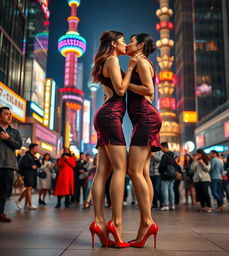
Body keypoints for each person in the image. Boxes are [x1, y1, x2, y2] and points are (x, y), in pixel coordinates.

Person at [90, 30, 140, 248]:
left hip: (106, 114)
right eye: (122, 41)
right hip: (110, 116)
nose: (125, 45)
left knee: (104, 170)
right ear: (113, 43)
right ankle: (114, 225)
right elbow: (120, 89)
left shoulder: (106, 62)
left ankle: (99, 222)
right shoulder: (111, 60)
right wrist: (130, 68)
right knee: (120, 169)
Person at [126, 33, 161, 248]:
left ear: (139, 45)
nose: (128, 44)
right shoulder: (142, 62)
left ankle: (148, 222)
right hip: (144, 119)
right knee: (144, 173)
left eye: (131, 41)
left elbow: (149, 90)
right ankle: (143, 228)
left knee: (134, 171)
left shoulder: (141, 62)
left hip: (146, 119)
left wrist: (126, 82)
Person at [0, 107, 22, 222]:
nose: (9, 116)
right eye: (6, 114)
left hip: (8, 165)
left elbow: (18, 145)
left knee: (4, 190)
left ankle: (1, 213)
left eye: (10, 114)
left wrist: (8, 138)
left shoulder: (14, 132)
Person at [16, 143, 41, 210]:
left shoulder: (34, 156)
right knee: (29, 189)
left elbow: (39, 165)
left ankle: (22, 203)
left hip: (32, 174)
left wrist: (37, 160)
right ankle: (29, 204)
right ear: (32, 149)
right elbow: (23, 164)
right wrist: (31, 166)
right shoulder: (27, 156)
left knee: (28, 189)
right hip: (28, 174)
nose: (37, 149)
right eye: (36, 148)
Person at [158, 142, 178, 211]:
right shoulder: (173, 155)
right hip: (172, 174)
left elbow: (162, 166)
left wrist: (160, 171)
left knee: (165, 190)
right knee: (171, 190)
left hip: (166, 175)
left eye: (161, 148)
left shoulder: (165, 155)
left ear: (164, 147)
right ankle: (172, 205)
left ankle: (166, 205)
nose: (161, 149)